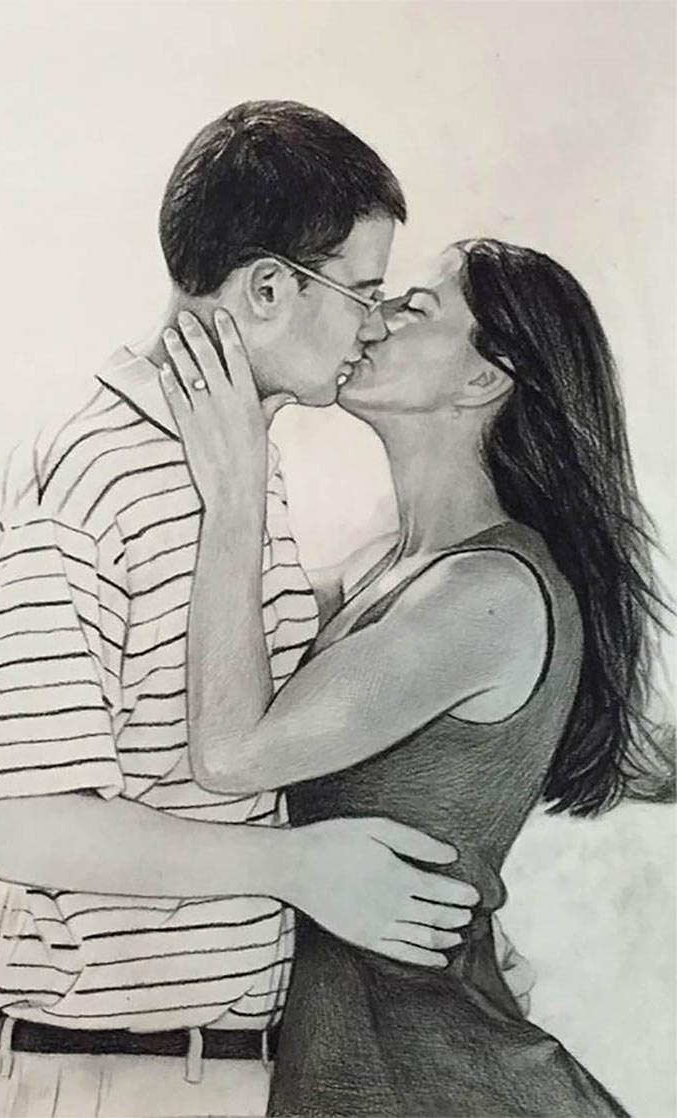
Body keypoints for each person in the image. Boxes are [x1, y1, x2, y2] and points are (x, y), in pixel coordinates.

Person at [0, 102, 509, 1118]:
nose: (374, 324)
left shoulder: (231, 464)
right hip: (108, 1074)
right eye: (362, 292)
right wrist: (296, 868)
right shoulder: (88, 480)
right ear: (267, 288)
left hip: (219, 1071)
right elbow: (14, 822)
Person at [160, 237, 669, 1116]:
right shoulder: (383, 569)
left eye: (415, 309)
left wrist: (236, 490)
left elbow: (233, 753)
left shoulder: (489, 592)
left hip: (444, 1088)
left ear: (482, 380)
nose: (373, 318)